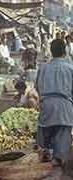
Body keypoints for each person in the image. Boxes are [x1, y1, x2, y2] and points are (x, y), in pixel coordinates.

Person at [35, 39, 73, 167]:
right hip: (65, 107)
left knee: (45, 133)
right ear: (65, 51)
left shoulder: (43, 68)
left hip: (47, 106)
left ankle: (44, 156)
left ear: (51, 52)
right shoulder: (70, 68)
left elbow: (37, 87)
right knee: (62, 135)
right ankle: (57, 160)